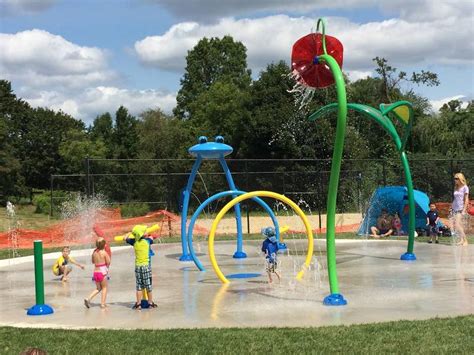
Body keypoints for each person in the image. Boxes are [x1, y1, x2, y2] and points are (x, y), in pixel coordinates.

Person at [126, 225, 157, 309]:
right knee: (148, 286)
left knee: (139, 286)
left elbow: (126, 238)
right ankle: (150, 303)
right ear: (143, 234)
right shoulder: (148, 241)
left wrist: (129, 233)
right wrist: (149, 233)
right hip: (146, 266)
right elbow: (152, 237)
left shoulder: (134, 242)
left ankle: (138, 304)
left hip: (138, 267)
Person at [84, 237, 111, 309]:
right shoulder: (104, 253)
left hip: (95, 272)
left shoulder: (94, 253)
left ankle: (88, 298)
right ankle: (102, 304)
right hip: (102, 272)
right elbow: (108, 262)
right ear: (104, 245)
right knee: (104, 288)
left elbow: (93, 261)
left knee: (98, 288)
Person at [451, 173, 469, 246]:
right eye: (454, 178)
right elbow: (455, 199)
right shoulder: (456, 187)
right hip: (454, 207)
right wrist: (451, 207)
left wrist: (464, 209)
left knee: (457, 224)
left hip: (460, 208)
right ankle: (461, 240)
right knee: (459, 225)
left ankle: (466, 240)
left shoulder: (465, 187)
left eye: (456, 178)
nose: (455, 180)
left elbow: (466, 199)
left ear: (460, 179)